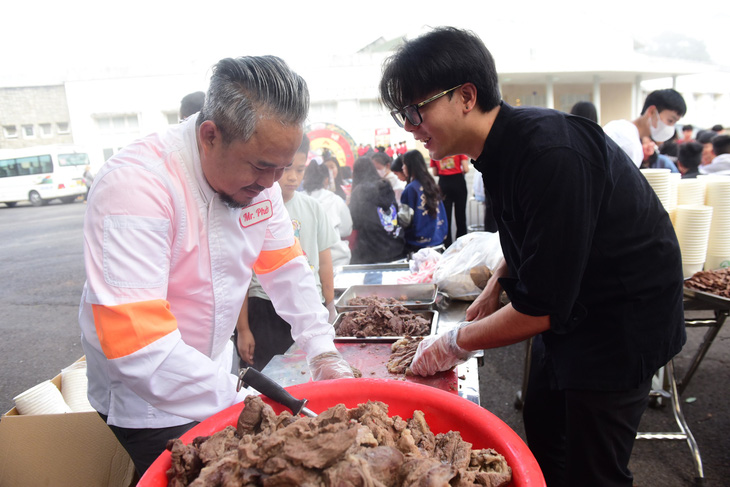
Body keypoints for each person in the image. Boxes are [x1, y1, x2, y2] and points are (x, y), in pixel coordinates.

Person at [379, 27, 685, 487]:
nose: (409, 126)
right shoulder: (498, 151)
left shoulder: (547, 152)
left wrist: (454, 341)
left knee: (594, 469)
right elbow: (533, 236)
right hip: (570, 307)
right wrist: (497, 282)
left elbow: (542, 306)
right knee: (545, 436)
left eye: (415, 110)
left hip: (620, 319)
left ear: (466, 96)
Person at [78, 56, 354, 476]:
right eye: (262, 166)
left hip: (212, 368)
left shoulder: (263, 184)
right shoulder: (136, 185)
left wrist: (321, 348)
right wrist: (247, 400)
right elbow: (139, 348)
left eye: (282, 168)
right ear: (210, 136)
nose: (271, 184)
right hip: (147, 396)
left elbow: (286, 268)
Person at [237, 135, 340, 370]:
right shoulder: (250, 204)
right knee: (269, 373)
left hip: (306, 303)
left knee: (304, 371)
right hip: (263, 307)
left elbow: (325, 262)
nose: (292, 176)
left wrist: (330, 303)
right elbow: (240, 274)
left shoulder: (312, 208)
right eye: (285, 169)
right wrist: (243, 329)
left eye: (299, 169)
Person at [603, 89, 687, 168]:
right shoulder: (631, 145)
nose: (671, 127)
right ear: (652, 112)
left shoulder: (618, 125)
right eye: (670, 120)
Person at [348, 156, 405, 264]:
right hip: (397, 246)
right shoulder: (386, 184)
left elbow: (354, 222)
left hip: (373, 251)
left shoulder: (359, 191)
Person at [302, 159, 353, 268]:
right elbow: (346, 230)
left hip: (305, 263)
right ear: (326, 180)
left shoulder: (298, 199)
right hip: (335, 261)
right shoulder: (335, 200)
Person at [399, 149, 447, 252]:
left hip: (418, 244)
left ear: (411, 166)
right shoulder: (431, 184)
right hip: (438, 239)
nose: (402, 168)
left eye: (404, 164)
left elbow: (405, 220)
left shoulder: (411, 189)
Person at [430, 154, 470, 247]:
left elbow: (435, 172)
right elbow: (466, 168)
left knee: (446, 216)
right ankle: (462, 244)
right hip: (458, 182)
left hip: (444, 184)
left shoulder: (436, 151)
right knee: (461, 215)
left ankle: (447, 245)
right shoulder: (458, 148)